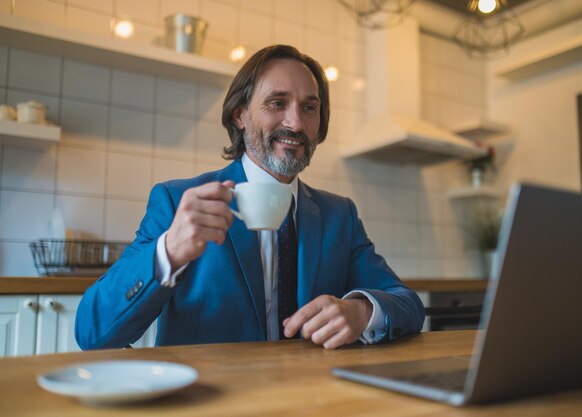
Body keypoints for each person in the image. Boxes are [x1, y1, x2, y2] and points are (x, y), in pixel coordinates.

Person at [75, 45, 424, 350]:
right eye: (277, 103)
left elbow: (407, 303)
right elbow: (92, 334)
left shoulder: (339, 216)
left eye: (309, 108)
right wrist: (168, 252)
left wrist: (362, 311)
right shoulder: (177, 201)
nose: (296, 123)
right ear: (239, 115)